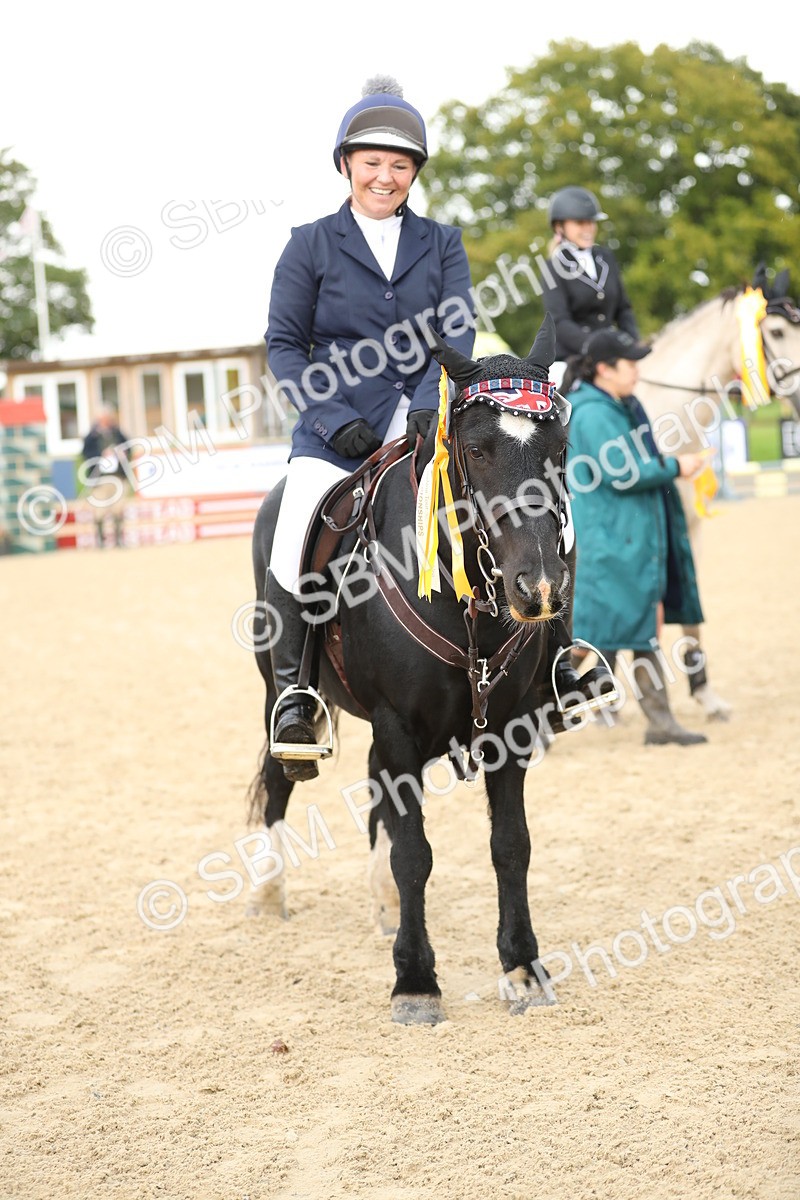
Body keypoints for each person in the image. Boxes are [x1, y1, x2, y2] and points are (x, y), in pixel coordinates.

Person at [264, 75, 476, 780]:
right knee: (295, 527)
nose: (386, 175)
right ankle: (296, 689)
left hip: (420, 422)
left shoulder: (442, 243)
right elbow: (285, 347)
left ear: (414, 173)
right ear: (347, 164)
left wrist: (424, 402)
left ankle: (544, 662)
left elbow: (456, 330)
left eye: (401, 165)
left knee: (510, 501)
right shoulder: (310, 245)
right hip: (333, 430)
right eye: (373, 162)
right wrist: (333, 418)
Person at [563, 328, 709, 746]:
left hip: (621, 539)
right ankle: (533, 718)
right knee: (592, 637)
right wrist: (675, 468)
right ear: (605, 369)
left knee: (633, 632)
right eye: (630, 364)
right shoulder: (595, 413)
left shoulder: (612, 406)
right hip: (611, 543)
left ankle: (660, 723)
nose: (638, 371)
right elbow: (624, 473)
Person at [540, 186, 640, 386]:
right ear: (560, 227)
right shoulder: (552, 267)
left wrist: (630, 344)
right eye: (580, 223)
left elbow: (623, 309)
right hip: (572, 357)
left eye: (591, 222)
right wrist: (595, 346)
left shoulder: (606, 258)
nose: (588, 228)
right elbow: (560, 322)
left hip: (611, 357)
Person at [81, 405, 132, 548]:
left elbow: (128, 447)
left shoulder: (117, 433)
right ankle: (100, 541)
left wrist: (123, 452)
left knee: (118, 509)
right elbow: (86, 455)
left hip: (118, 477)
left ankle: (119, 540)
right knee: (100, 511)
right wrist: (101, 455)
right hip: (100, 479)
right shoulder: (91, 437)